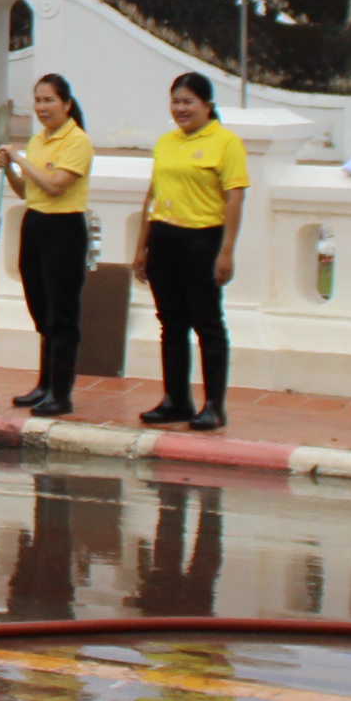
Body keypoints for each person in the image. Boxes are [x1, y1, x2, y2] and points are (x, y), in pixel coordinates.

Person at [130, 71, 245, 432]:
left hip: (202, 239)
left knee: (208, 324)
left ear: (207, 105)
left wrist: (226, 251)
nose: (181, 108)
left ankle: (214, 405)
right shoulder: (166, 142)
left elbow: (235, 196)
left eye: (188, 102)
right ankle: (176, 400)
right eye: (176, 101)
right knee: (172, 324)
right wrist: (141, 247)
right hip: (164, 237)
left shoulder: (225, 143)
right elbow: (152, 194)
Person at [0, 73, 92, 416]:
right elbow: (28, 191)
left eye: (49, 100)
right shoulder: (39, 141)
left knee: (62, 314)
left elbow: (55, 185)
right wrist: (9, 169)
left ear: (66, 104)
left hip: (64, 228)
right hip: (34, 223)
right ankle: (44, 384)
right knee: (41, 309)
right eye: (37, 100)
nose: (42, 107)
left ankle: (61, 393)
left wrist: (20, 159)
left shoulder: (77, 141)